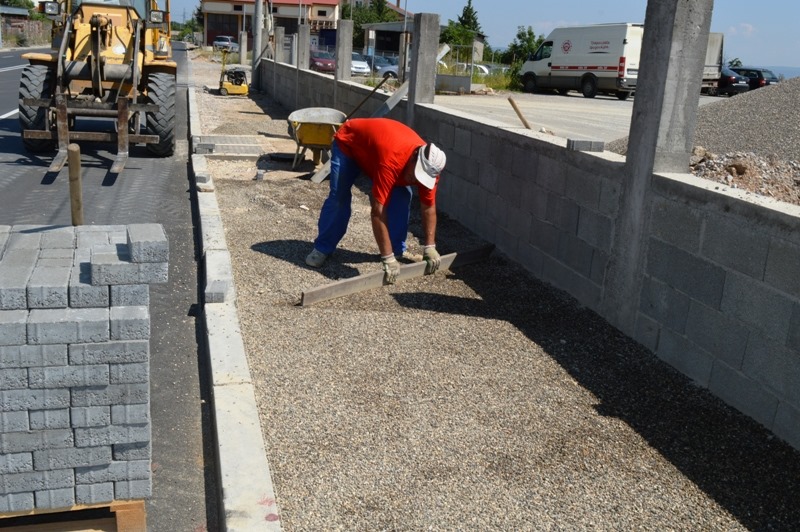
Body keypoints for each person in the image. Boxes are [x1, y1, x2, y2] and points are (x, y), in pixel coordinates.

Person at [305, 117, 447, 284]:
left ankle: (396, 250)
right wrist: (386, 258)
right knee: (339, 198)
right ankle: (322, 248)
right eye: (416, 173)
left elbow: (428, 207)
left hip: (376, 152)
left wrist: (430, 246)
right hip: (349, 144)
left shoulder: (431, 169)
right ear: (414, 157)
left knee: (402, 196)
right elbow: (378, 211)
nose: (417, 180)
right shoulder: (392, 159)